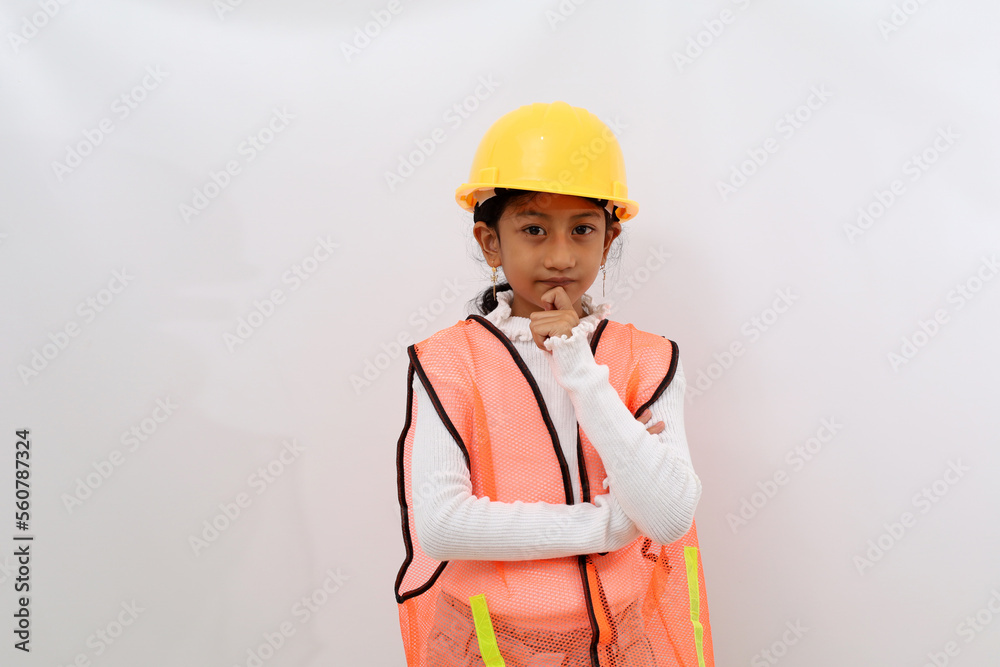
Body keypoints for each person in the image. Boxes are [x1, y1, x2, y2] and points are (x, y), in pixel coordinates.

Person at [394, 101, 714, 667]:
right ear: (491, 242)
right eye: (534, 230)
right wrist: (608, 525)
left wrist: (579, 367)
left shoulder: (647, 358)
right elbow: (442, 527)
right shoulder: (448, 362)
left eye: (583, 230)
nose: (561, 256)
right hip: (486, 641)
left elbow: (667, 517)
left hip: (623, 637)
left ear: (609, 239)